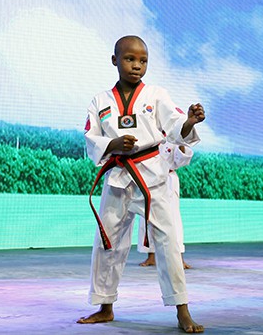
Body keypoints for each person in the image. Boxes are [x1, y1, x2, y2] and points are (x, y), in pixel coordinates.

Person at [78, 35, 205, 333]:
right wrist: (114, 143)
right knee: (108, 244)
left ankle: (182, 310)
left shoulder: (157, 95)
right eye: (129, 59)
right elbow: (91, 139)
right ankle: (105, 306)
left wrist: (189, 123)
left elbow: (175, 128)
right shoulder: (100, 101)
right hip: (118, 177)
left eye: (143, 61)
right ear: (114, 61)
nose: (137, 66)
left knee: (169, 244)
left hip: (153, 178)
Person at [138, 141, 192, 269]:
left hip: (168, 179)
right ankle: (151, 255)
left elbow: (182, 160)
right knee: (146, 216)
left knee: (173, 218)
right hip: (147, 177)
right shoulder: (147, 130)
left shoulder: (174, 133)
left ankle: (179, 256)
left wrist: (181, 141)